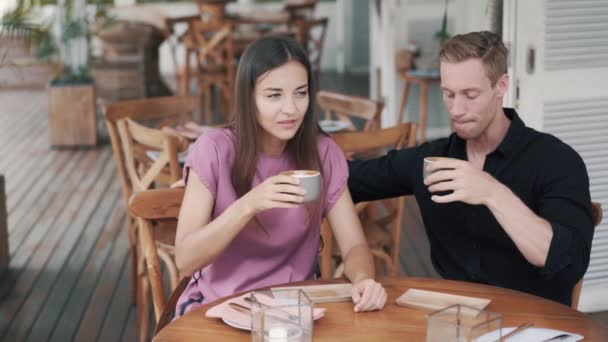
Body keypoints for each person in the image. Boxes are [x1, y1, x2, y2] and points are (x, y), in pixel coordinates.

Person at [348, 31, 594, 306]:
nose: (456, 109)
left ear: (501, 86)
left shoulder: (556, 160)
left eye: (470, 94)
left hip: (535, 322)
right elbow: (347, 180)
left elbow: (568, 263)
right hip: (455, 320)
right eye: (449, 94)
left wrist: (492, 193)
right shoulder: (431, 160)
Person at [174, 35, 386, 318]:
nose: (291, 109)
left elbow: (354, 245)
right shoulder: (214, 149)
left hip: (296, 311)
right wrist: (249, 204)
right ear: (248, 98)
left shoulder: (323, 152)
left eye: (301, 92)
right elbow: (186, 260)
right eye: (274, 95)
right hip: (219, 308)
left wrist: (363, 280)